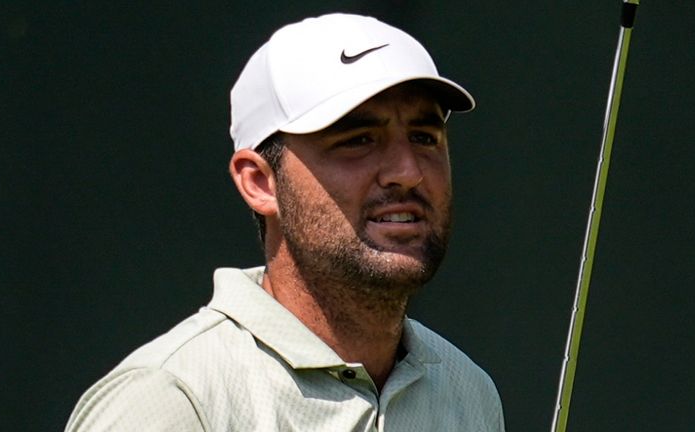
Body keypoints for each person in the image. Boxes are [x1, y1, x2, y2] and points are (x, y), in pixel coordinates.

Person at [65, 13, 505, 431]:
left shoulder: (468, 391)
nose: (407, 171)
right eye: (358, 140)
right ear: (260, 183)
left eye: (424, 138)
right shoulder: (170, 397)